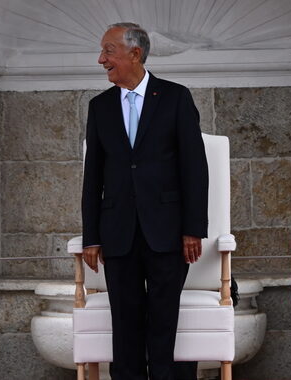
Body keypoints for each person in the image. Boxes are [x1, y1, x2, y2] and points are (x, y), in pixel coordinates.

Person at [81, 23, 209, 380]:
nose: (101, 59)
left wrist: (193, 229)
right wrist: (91, 235)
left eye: (108, 51)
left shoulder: (175, 97)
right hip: (118, 232)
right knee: (125, 321)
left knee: (165, 318)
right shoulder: (100, 107)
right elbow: (93, 178)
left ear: (134, 53)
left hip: (168, 232)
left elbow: (194, 169)